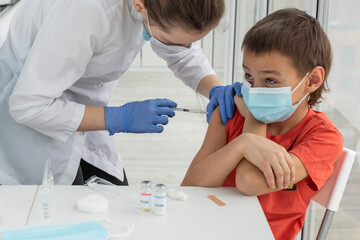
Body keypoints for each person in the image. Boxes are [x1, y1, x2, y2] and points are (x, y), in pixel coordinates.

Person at [0, 0, 240, 185]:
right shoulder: (87, 11)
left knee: (114, 196)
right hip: (31, 114)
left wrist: (215, 88)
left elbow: (182, 50)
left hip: (80, 102)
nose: (184, 48)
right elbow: (28, 106)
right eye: (173, 41)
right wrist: (117, 117)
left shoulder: (159, 10)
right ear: (140, 5)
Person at [182, 8, 344, 240]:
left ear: (312, 80)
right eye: (249, 77)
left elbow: (249, 182)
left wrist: (254, 122)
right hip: (211, 230)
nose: (255, 90)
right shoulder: (229, 114)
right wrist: (242, 144)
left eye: (270, 80)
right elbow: (189, 187)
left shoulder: (323, 138)